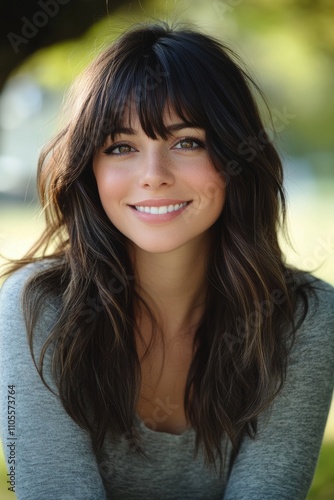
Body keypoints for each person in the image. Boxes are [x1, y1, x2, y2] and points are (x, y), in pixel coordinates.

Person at [0, 20, 333, 500]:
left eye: (187, 142)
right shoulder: (37, 310)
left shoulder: (305, 319)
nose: (153, 176)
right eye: (121, 147)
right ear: (88, 169)